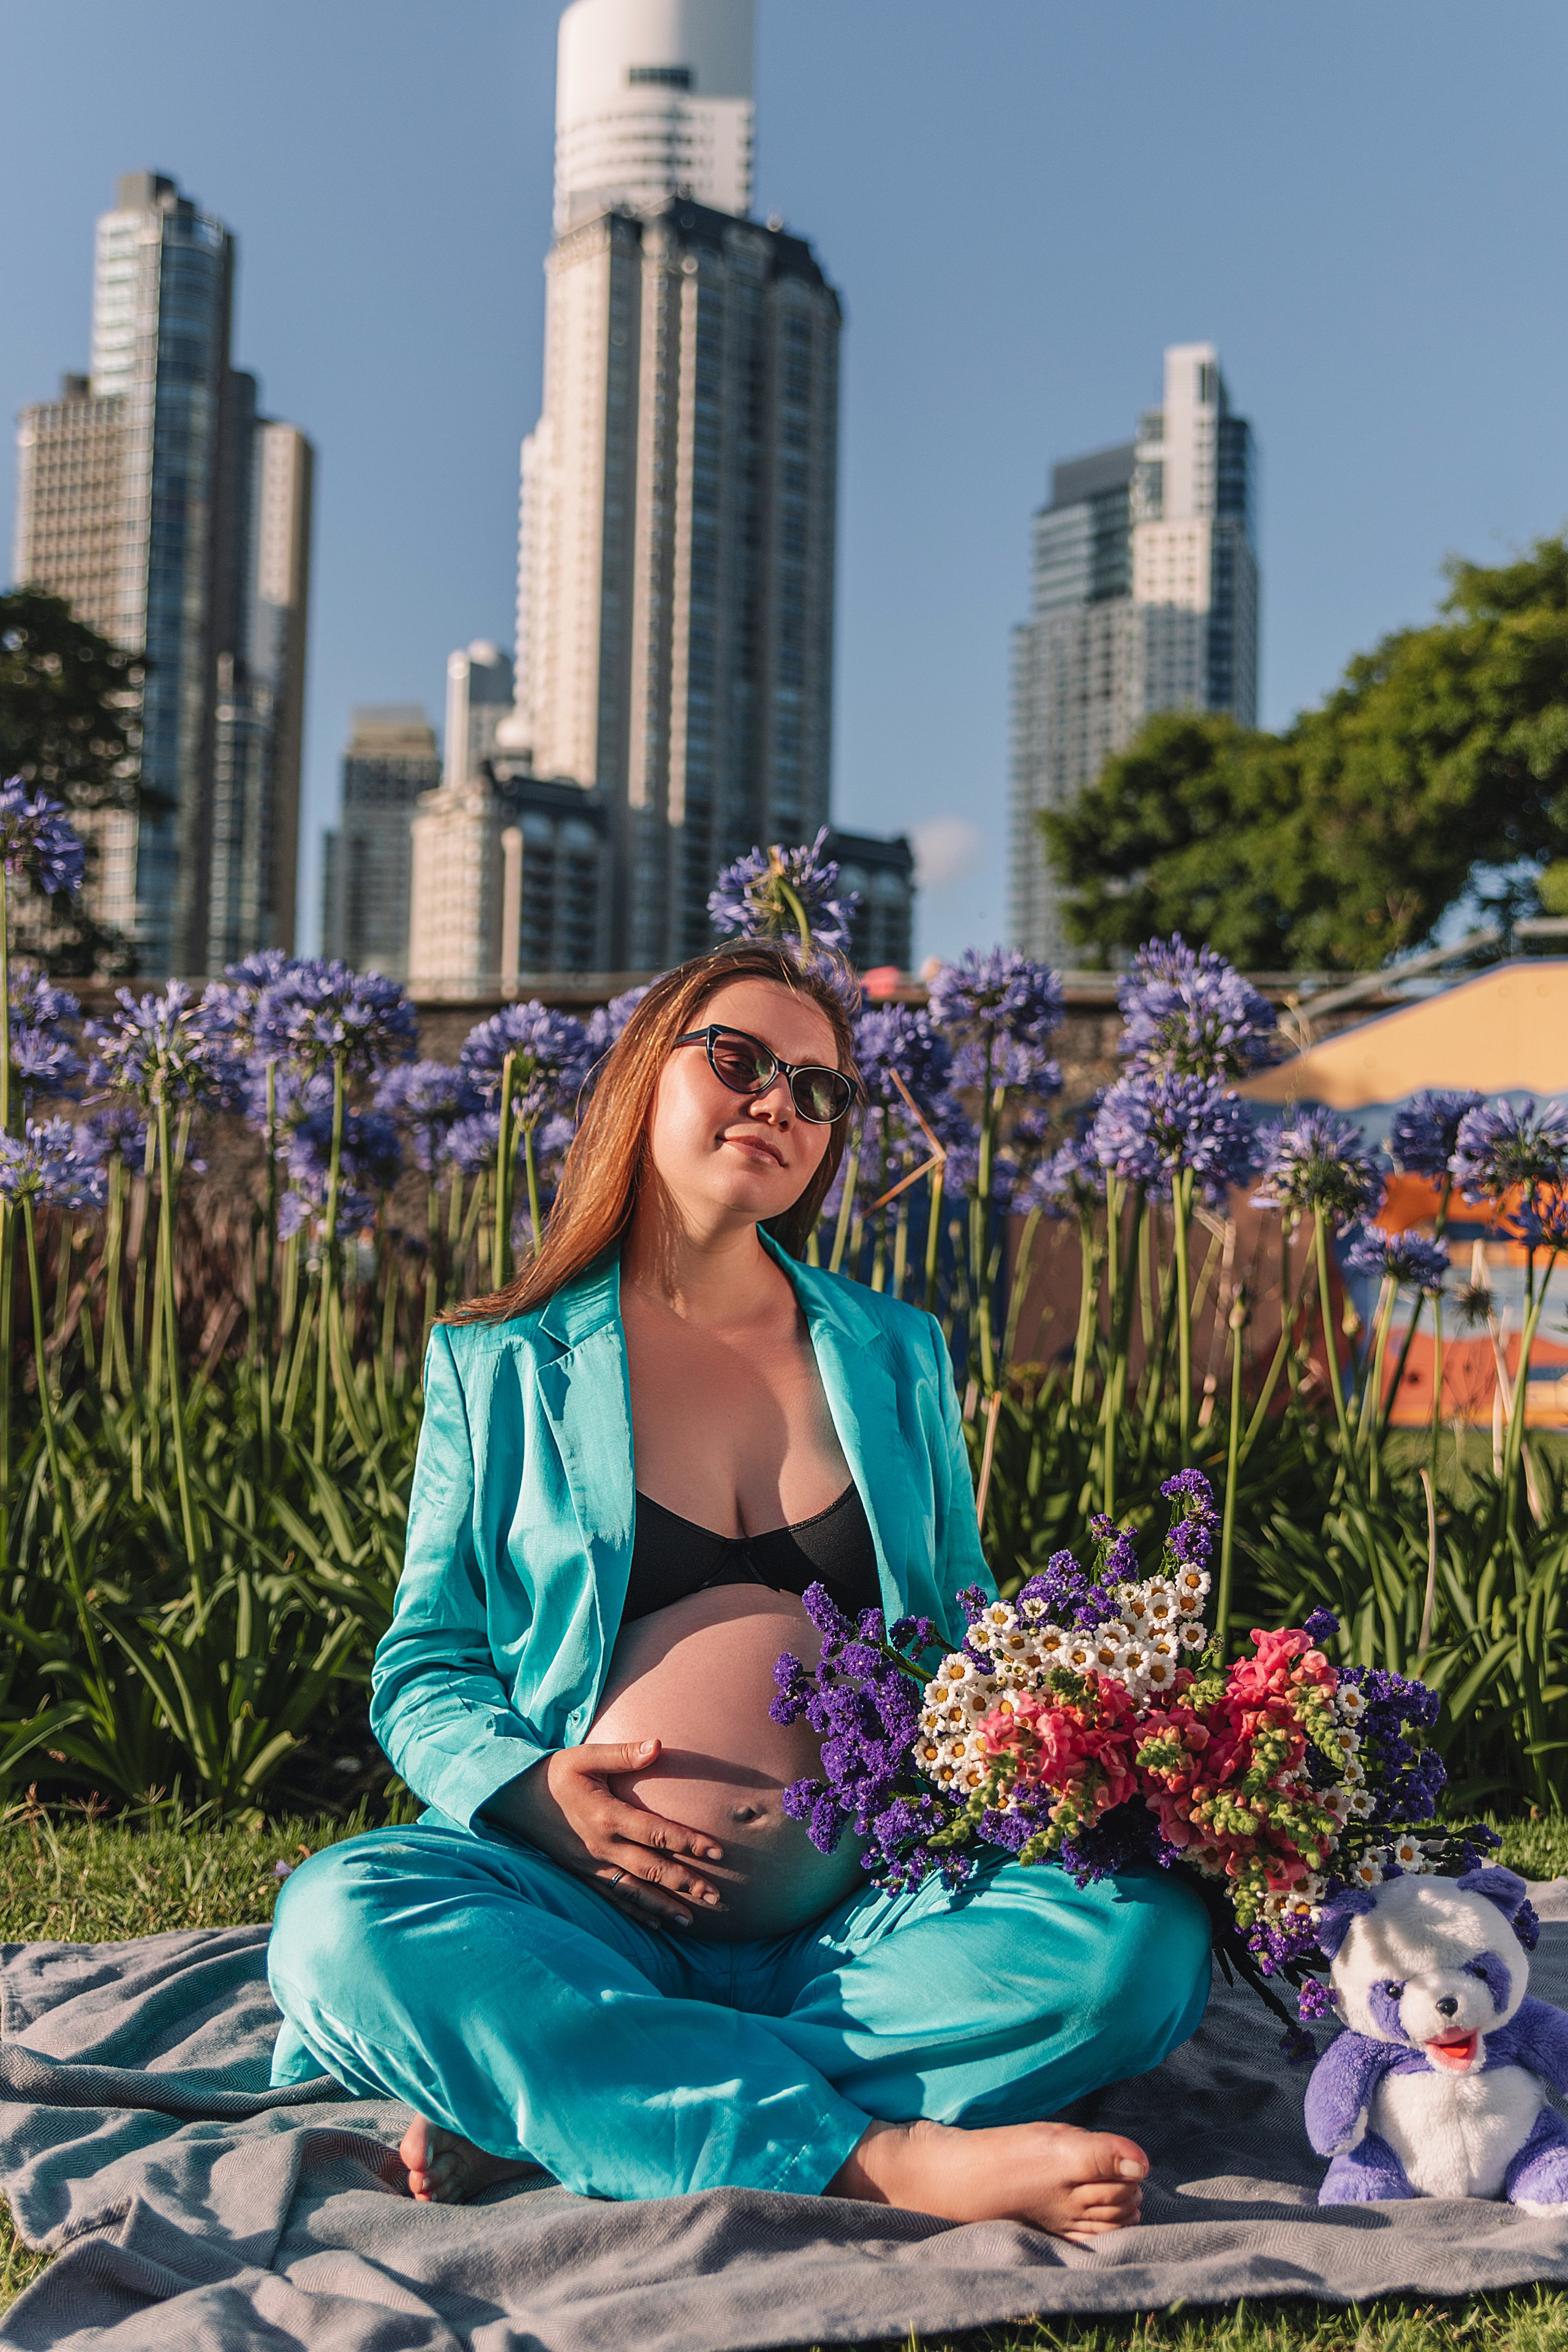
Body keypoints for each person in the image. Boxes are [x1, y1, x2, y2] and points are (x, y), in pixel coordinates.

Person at [267, 941, 1210, 2241]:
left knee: (1141, 1942)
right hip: (574, 1905)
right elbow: (427, 1663)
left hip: (869, 1914)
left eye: (818, 1089)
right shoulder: (501, 1359)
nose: (778, 1101)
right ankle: (878, 2159)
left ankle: (575, 2092)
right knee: (337, 1924)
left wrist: (1084, 1744)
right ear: (642, 1077)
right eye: (739, 1059)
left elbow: (965, 1629)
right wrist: (531, 1794)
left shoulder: (894, 1352)